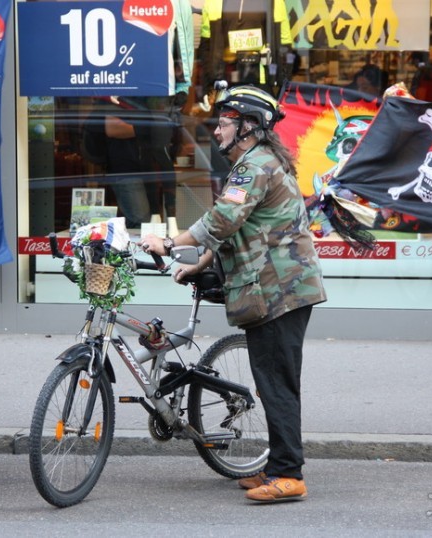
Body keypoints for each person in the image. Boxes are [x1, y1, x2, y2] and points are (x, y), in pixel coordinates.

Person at [140, 84, 326, 503]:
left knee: (276, 381)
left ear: (249, 126)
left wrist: (170, 244)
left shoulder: (253, 165)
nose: (218, 129)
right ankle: (277, 464)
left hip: (281, 288)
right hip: (278, 287)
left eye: (225, 122)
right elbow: (236, 229)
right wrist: (199, 264)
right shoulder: (259, 162)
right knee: (271, 379)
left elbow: (223, 219)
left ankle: (289, 475)